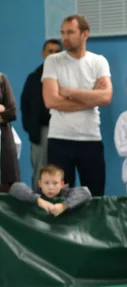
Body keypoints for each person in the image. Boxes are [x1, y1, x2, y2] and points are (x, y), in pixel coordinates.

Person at [42, 14, 113, 196]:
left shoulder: (98, 61)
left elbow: (105, 97)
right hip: (59, 139)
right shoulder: (53, 61)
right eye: (62, 33)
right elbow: (51, 101)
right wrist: (90, 99)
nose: (65, 37)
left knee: (95, 196)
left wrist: (71, 93)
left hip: (90, 139)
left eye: (71, 32)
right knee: (58, 197)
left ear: (85, 34)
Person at [21, 39, 63, 190]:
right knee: (41, 172)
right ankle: (38, 209)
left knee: (60, 172)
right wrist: (32, 129)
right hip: (41, 132)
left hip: (63, 131)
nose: (53, 55)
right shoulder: (34, 78)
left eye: (57, 51)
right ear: (43, 54)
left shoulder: (66, 76)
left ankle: (61, 208)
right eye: (50, 51)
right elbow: (25, 106)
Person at [8, 164, 91, 217]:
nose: (51, 187)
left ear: (62, 184)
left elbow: (85, 192)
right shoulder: (35, 193)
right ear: (40, 183)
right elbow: (15, 187)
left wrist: (63, 206)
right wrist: (39, 200)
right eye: (46, 183)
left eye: (55, 183)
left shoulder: (67, 194)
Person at [0, 72, 20, 193]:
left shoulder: (2, 79)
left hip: (3, 138)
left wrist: (4, 111)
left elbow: (12, 112)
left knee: (8, 183)